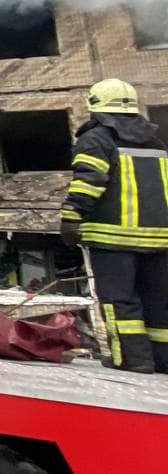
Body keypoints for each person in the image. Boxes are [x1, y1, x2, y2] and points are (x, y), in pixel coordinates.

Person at [61, 78, 168, 374]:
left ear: (94, 105)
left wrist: (71, 218)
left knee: (119, 301)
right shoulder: (156, 142)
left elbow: (89, 181)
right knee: (160, 303)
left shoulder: (96, 139)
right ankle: (163, 360)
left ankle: (133, 359)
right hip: (160, 238)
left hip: (113, 239)